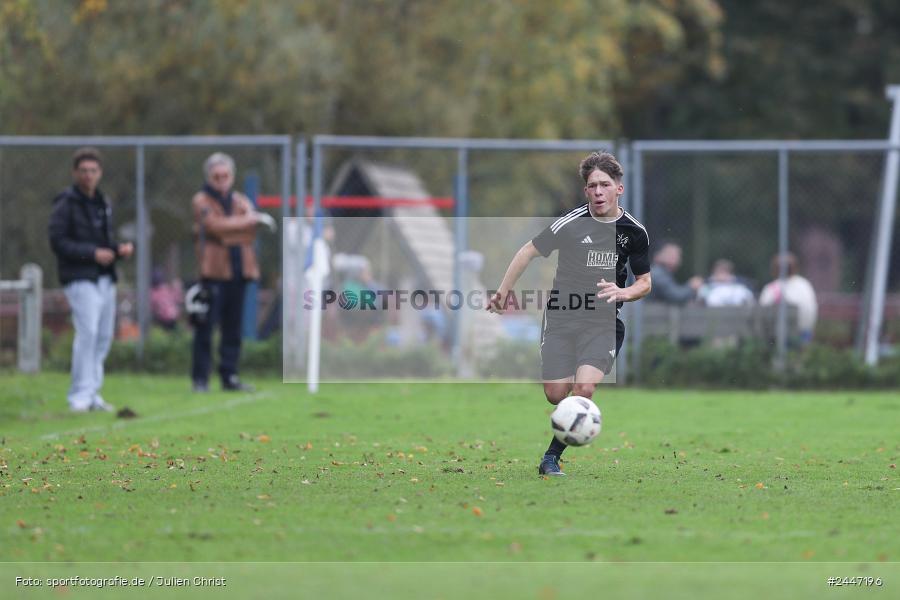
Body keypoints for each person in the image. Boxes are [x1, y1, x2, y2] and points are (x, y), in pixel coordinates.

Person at [487, 151, 651, 477]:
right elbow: (527, 251)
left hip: (603, 322)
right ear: (585, 191)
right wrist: (503, 292)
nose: (599, 192)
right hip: (562, 317)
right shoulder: (571, 223)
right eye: (592, 186)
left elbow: (645, 283)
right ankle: (557, 441)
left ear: (619, 188)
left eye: (605, 184)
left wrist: (624, 292)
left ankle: (551, 458)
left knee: (584, 390)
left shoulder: (634, 232)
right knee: (555, 394)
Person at [48, 147, 134, 412]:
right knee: (88, 333)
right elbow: (58, 241)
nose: (88, 176)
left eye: (93, 171)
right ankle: (79, 396)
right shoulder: (66, 203)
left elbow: (102, 243)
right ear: (75, 173)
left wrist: (118, 250)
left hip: (104, 279)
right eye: (83, 171)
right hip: (79, 278)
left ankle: (92, 392)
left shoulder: (102, 202)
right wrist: (92, 254)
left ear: (100, 173)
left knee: (103, 336)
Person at [191, 152, 276, 392]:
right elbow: (214, 228)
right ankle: (200, 379)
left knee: (233, 329)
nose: (221, 180)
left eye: (225, 175)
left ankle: (229, 376)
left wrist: (234, 229)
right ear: (209, 176)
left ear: (232, 176)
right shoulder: (201, 200)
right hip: (213, 272)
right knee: (205, 328)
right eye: (216, 176)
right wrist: (245, 223)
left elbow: (251, 232)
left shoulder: (239, 200)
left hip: (239, 272)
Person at [759, 252, 818, 344]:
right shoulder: (805, 284)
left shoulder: (772, 288)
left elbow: (762, 313)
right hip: (804, 335)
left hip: (779, 338)